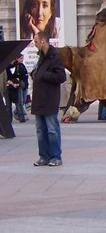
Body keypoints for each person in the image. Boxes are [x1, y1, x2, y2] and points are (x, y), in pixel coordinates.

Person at [31, 32, 67, 167]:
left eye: (35, 41)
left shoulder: (55, 56)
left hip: (50, 98)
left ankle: (56, 156)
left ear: (43, 41)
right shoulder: (40, 57)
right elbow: (37, 72)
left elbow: (61, 77)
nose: (34, 43)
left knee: (52, 129)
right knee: (40, 130)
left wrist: (43, 75)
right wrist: (35, 74)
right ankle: (43, 156)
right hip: (38, 99)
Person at [5, 53, 28, 123]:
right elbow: (6, 78)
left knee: (20, 102)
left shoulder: (20, 66)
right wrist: (12, 83)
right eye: (21, 58)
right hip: (9, 87)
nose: (22, 60)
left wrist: (20, 83)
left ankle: (21, 117)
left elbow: (23, 76)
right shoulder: (8, 66)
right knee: (10, 104)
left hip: (18, 86)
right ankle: (10, 119)